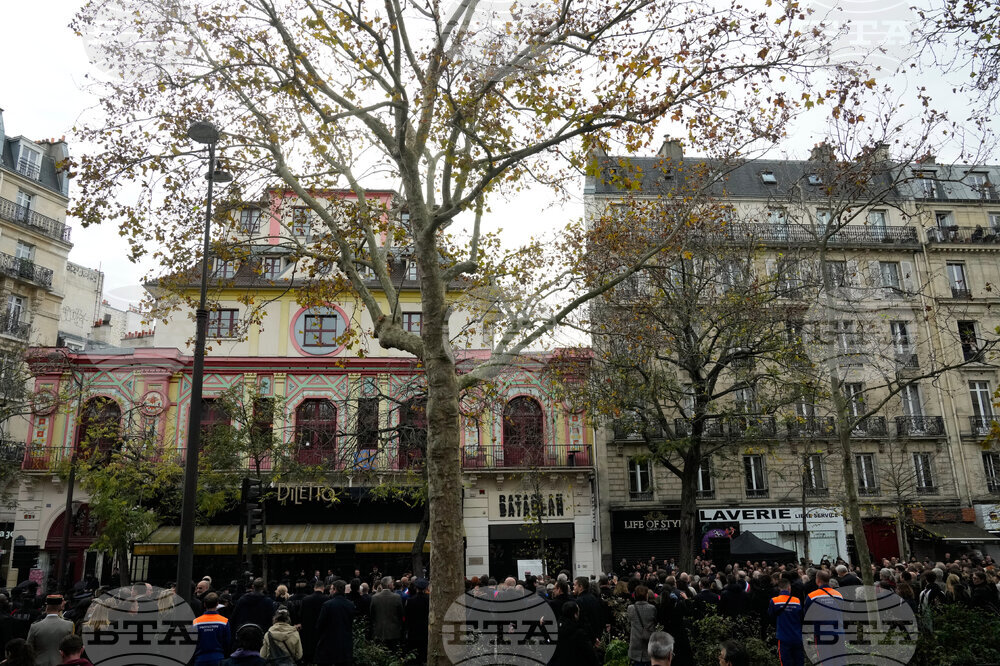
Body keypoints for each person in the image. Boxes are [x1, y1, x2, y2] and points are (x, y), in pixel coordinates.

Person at [314, 580, 355, 666]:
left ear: (335, 589)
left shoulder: (327, 605)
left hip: (329, 644)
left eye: (331, 588)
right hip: (345, 644)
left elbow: (320, 625)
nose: (330, 590)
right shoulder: (350, 605)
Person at [26, 595, 74, 666]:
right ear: (60, 606)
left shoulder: (35, 626)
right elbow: (72, 648)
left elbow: (28, 649)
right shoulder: (69, 625)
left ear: (47, 606)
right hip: (61, 662)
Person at [768, 577, 804, 666]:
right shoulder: (797, 601)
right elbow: (801, 617)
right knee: (799, 662)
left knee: (785, 662)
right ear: (789, 588)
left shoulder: (774, 601)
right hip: (797, 636)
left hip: (783, 637)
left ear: (779, 589)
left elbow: (770, 615)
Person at [551, 602, 598, 666]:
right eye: (578, 611)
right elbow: (590, 654)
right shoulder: (578, 633)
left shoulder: (556, 629)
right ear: (575, 614)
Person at [194, 592, 231, 666]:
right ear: (217, 604)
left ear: (204, 604)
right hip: (218, 658)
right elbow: (227, 642)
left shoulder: (196, 622)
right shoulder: (224, 621)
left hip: (200, 659)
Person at [369, 576, 404, 650]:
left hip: (379, 631)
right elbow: (401, 614)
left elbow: (372, 615)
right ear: (389, 585)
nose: (393, 584)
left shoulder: (374, 598)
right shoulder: (397, 597)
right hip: (393, 632)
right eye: (392, 582)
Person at [627, 585, 656, 666]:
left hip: (635, 642)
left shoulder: (630, 608)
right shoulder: (652, 608)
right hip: (648, 642)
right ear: (646, 595)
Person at [404, 578, 430, 664]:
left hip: (413, 629)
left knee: (415, 653)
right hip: (425, 628)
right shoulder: (429, 600)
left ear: (416, 588)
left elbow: (407, 616)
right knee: (424, 650)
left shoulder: (410, 600)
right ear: (426, 588)